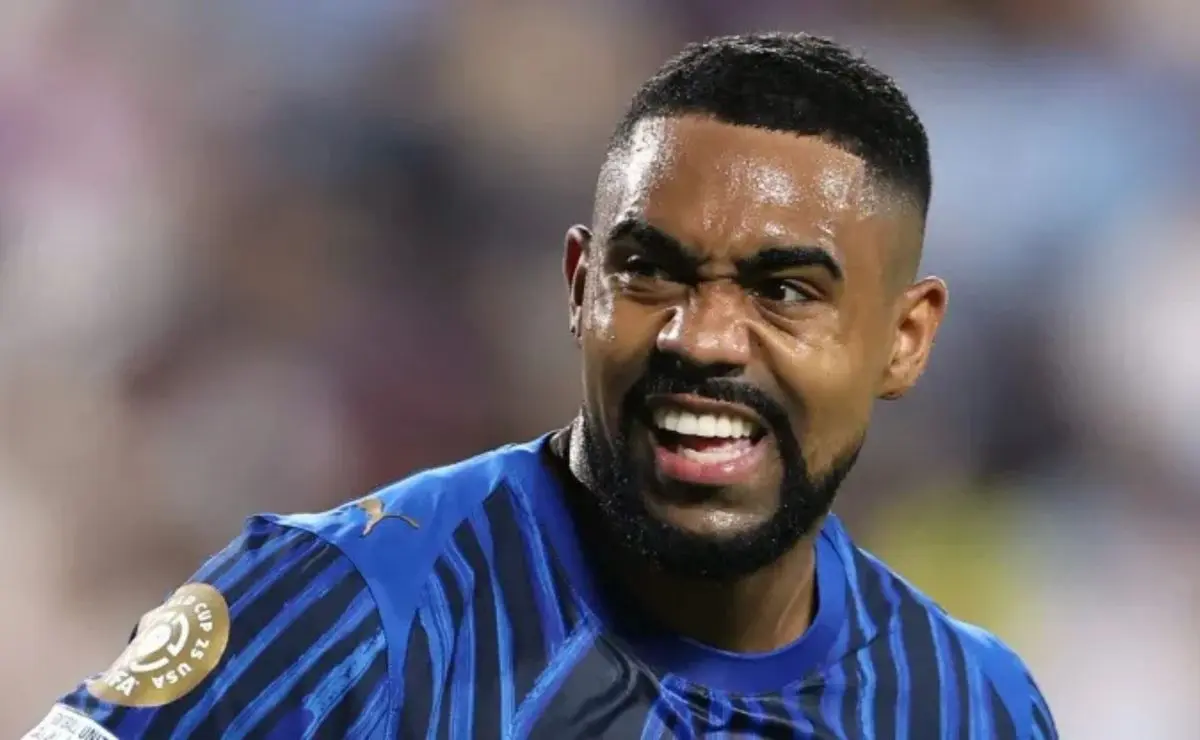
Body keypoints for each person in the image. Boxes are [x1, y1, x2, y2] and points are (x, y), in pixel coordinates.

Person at [26, 32, 1057, 739]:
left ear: (905, 339)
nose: (701, 338)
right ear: (579, 285)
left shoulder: (972, 704)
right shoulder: (350, 606)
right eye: (650, 272)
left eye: (783, 290)